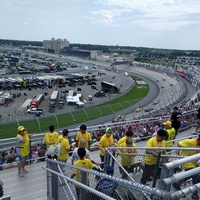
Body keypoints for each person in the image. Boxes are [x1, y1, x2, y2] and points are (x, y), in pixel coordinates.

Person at [173, 135, 200, 200]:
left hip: (194, 163)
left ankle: (176, 184)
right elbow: (179, 143)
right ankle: (195, 195)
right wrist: (178, 150)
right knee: (196, 177)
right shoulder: (190, 142)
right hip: (187, 162)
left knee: (189, 175)